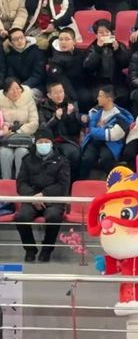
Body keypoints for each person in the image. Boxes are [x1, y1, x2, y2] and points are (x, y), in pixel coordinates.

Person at [15, 128, 69, 263]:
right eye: (40, 142)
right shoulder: (27, 160)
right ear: (35, 143)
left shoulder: (62, 161)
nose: (43, 144)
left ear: (51, 143)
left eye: (46, 141)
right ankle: (30, 249)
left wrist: (44, 194)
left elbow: (63, 185)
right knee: (21, 217)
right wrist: (33, 197)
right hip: (32, 199)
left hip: (53, 199)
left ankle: (47, 249)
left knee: (53, 216)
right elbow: (21, 183)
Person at [79, 85, 134, 180]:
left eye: (100, 96)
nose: (97, 98)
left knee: (106, 159)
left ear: (109, 99)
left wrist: (94, 130)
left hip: (111, 144)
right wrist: (85, 119)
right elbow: (88, 120)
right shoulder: (95, 111)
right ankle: (81, 182)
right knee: (86, 159)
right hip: (94, 141)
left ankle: (110, 182)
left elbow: (113, 135)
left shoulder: (121, 116)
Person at [82, 19, 131, 109]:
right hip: (98, 82)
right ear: (96, 35)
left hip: (117, 82)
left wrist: (118, 51)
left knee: (124, 96)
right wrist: (98, 50)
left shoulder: (119, 45)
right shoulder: (92, 48)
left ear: (112, 33)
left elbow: (126, 63)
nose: (104, 34)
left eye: (107, 32)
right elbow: (88, 66)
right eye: (101, 32)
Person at [38, 81, 81, 182]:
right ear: (49, 95)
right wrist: (55, 119)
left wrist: (70, 116)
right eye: (56, 93)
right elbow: (43, 129)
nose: (59, 95)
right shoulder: (42, 107)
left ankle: (72, 182)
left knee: (73, 153)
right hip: (50, 141)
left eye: (61, 92)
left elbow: (75, 131)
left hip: (67, 140)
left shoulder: (71, 105)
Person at [0, 78, 39, 179]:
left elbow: (34, 123)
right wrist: (5, 130)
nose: (16, 92)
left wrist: (18, 131)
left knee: (21, 152)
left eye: (18, 88)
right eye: (12, 90)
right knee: (4, 153)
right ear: (6, 92)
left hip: (25, 136)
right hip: (6, 138)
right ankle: (6, 182)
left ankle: (20, 182)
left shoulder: (28, 100)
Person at [47, 27, 90, 112]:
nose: (63, 42)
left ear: (74, 41)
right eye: (61, 39)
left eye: (67, 39)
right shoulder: (55, 59)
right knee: (79, 98)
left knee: (87, 96)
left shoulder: (80, 54)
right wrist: (74, 97)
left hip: (79, 85)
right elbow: (62, 81)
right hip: (62, 88)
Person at [5, 28, 45, 99]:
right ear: (11, 42)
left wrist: (22, 87)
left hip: (37, 87)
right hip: (18, 87)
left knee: (23, 97)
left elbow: (38, 75)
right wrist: (16, 88)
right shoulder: (10, 57)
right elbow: (11, 75)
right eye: (15, 39)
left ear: (25, 38)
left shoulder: (36, 52)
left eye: (21, 37)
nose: (19, 41)